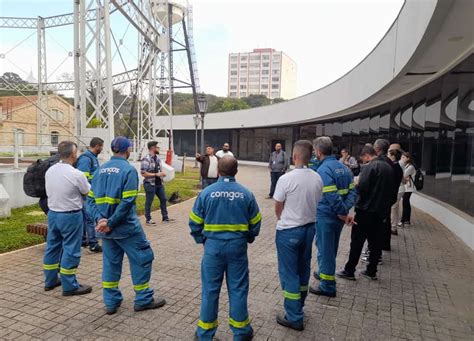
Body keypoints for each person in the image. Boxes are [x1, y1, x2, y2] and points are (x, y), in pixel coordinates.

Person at [88, 137, 166, 315]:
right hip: (126, 229)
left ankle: (111, 302)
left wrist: (101, 220)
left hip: (106, 230)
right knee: (143, 258)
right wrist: (111, 222)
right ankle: (143, 299)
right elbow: (127, 201)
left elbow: (90, 200)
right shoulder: (129, 170)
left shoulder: (100, 170)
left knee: (110, 264)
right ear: (127, 150)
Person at [189, 156, 261, 340]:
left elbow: (195, 222)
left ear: (218, 172)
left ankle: (205, 334)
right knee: (238, 289)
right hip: (237, 248)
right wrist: (249, 238)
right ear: (236, 171)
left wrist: (202, 240)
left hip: (213, 248)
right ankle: (241, 332)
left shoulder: (206, 193)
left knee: (210, 290)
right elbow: (255, 223)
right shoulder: (246, 194)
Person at [272, 140, 323, 331]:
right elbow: (318, 201)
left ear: (294, 156)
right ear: (311, 156)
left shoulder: (286, 179)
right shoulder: (317, 178)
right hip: (309, 229)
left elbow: (278, 204)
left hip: (288, 231)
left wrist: (282, 218)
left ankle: (294, 316)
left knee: (289, 274)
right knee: (303, 269)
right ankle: (299, 307)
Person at [337, 143, 394, 281]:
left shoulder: (370, 167)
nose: (363, 162)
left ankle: (350, 270)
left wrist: (356, 191)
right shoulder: (388, 167)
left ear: (367, 156)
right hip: (381, 212)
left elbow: (362, 188)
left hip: (365, 211)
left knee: (357, 242)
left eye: (363, 159)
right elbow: (392, 193)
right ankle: (371, 270)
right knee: (375, 243)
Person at [309, 137, 357, 298]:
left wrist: (341, 212)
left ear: (318, 151)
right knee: (331, 247)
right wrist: (344, 212)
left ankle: (327, 285)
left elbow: (331, 195)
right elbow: (353, 192)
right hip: (337, 218)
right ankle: (324, 272)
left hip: (327, 215)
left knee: (325, 250)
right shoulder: (343, 168)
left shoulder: (324, 170)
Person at [43, 141, 92, 296]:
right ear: (73, 154)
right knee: (71, 249)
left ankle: (50, 281)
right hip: (70, 215)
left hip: (53, 214)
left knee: (52, 247)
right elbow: (87, 192)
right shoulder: (76, 174)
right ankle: (70, 285)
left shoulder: (50, 170)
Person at [76, 137, 104, 252]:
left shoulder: (92, 158)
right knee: (89, 218)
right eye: (101, 146)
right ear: (97, 146)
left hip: (92, 192)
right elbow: (83, 178)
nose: (102, 149)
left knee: (86, 217)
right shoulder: (86, 159)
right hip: (87, 194)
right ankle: (93, 243)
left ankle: (84, 241)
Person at [141, 141, 172, 225]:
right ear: (153, 148)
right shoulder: (146, 159)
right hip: (150, 184)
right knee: (149, 201)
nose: (158, 148)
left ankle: (165, 217)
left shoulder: (157, 159)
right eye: (157, 147)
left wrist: (162, 174)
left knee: (163, 199)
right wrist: (156, 174)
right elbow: (143, 173)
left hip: (159, 183)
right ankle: (148, 219)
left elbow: (159, 170)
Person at [388, 148, 405, 235]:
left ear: (393, 156)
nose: (388, 156)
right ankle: (393, 226)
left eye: (389, 155)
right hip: (398, 190)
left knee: (393, 209)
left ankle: (392, 227)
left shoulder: (394, 167)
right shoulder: (397, 166)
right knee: (395, 209)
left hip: (396, 191)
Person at [400, 152, 417, 226]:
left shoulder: (410, 167)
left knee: (405, 203)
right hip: (406, 187)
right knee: (406, 203)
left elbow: (403, 175)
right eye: (402, 157)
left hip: (409, 188)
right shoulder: (406, 166)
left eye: (404, 157)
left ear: (408, 158)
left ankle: (403, 220)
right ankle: (406, 220)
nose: (402, 158)